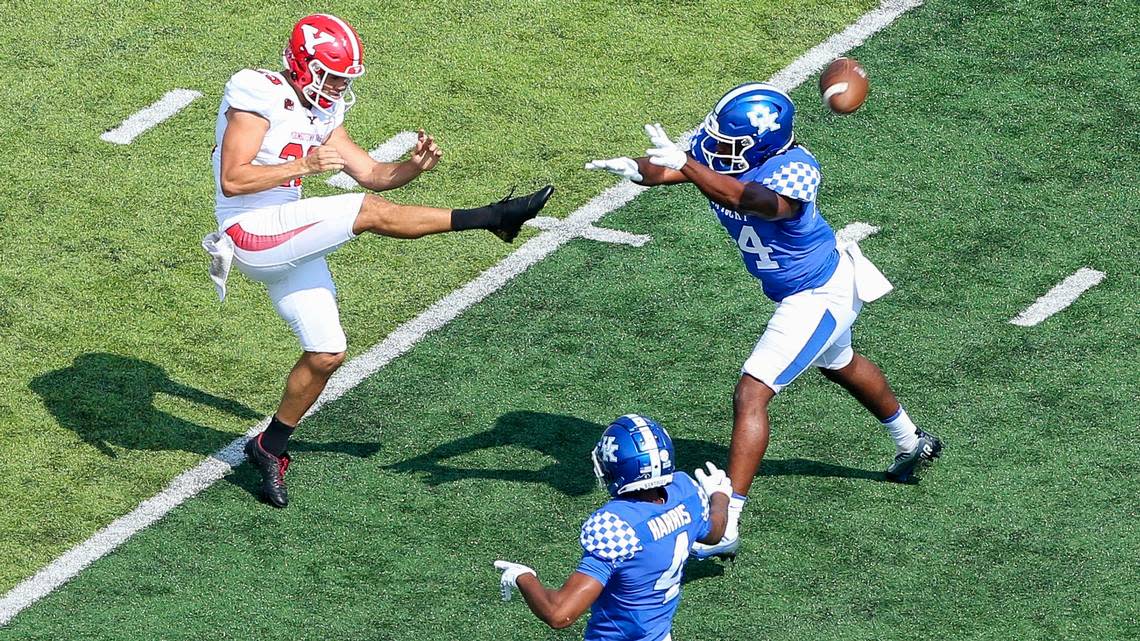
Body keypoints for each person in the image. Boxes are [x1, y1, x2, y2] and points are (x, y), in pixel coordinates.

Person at [202, 13, 554, 508]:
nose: (339, 86)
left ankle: (269, 447)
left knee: (327, 352)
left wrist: (411, 167)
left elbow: (371, 174)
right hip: (250, 229)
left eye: (345, 78)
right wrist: (303, 165)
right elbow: (233, 179)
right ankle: (494, 217)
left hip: (290, 232)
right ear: (302, 65)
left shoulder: (320, 114)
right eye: (331, 76)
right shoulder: (256, 91)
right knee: (367, 215)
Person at [585, 83, 942, 559]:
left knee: (752, 391)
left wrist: (688, 165)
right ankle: (910, 439)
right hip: (804, 291)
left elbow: (753, 201)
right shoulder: (725, 157)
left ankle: (727, 519)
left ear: (763, 143)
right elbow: (675, 170)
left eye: (731, 145)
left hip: (818, 293)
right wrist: (637, 169)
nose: (717, 152)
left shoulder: (796, 168)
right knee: (841, 363)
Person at [494, 414, 730, 641]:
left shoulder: (618, 524)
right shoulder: (686, 492)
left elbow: (559, 614)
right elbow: (715, 533)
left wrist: (523, 577)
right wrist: (719, 497)